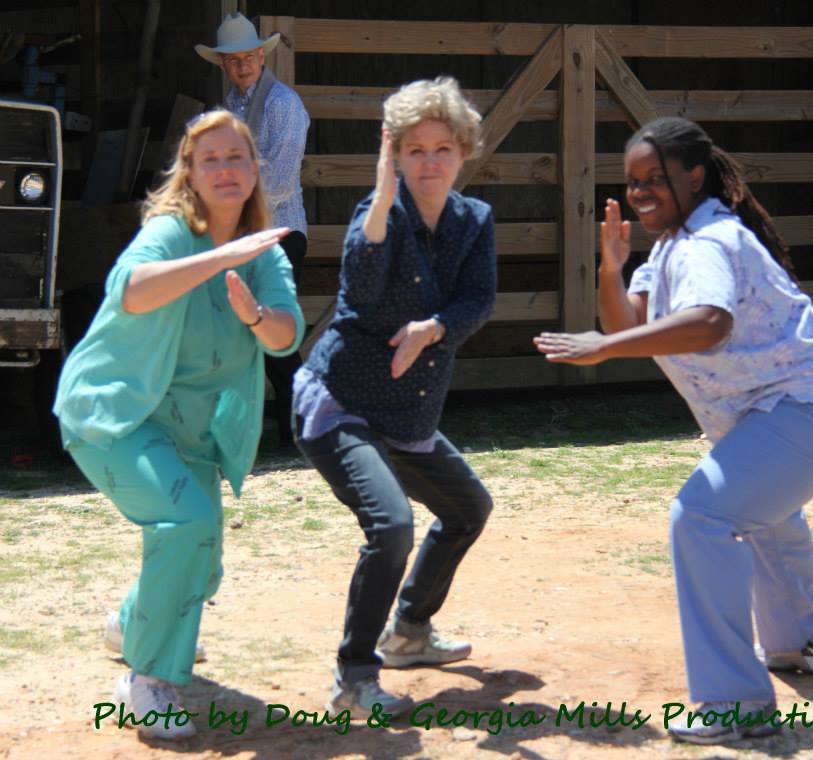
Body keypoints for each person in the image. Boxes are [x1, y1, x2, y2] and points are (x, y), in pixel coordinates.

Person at [534, 117, 813, 745]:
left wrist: (605, 348)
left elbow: (709, 323)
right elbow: (632, 322)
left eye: (655, 179)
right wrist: (611, 271)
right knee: (763, 511)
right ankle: (803, 642)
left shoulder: (711, 240)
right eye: (633, 181)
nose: (641, 192)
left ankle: (734, 703)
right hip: (803, 401)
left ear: (695, 176)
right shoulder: (673, 244)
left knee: (701, 516)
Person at [53, 110, 304, 741]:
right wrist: (218, 257)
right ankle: (148, 682)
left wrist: (253, 314)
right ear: (189, 172)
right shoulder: (170, 230)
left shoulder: (263, 252)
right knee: (187, 523)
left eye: (235, 158)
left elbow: (286, 335)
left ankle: (133, 624)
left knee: (203, 561)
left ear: (254, 172)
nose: (224, 169)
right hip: (117, 416)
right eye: (210, 159)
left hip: (193, 431)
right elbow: (130, 289)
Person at [294, 76, 496, 718]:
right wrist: (383, 195)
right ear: (395, 156)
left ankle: (409, 630)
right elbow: (361, 286)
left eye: (442, 148)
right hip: (341, 403)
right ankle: (355, 679)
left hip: (410, 411)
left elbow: (477, 299)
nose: (430, 162)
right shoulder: (376, 213)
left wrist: (432, 329)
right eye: (414, 151)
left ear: (463, 151)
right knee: (392, 525)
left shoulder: (474, 220)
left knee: (468, 508)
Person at [196, 12, 311, 449]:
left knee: (273, 335)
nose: (243, 66)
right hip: (242, 236)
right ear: (222, 65)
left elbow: (279, 183)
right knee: (241, 333)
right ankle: (270, 431)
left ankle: (301, 428)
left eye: (250, 57)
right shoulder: (227, 110)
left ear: (262, 57)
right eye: (234, 60)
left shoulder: (284, 105)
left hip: (278, 233)